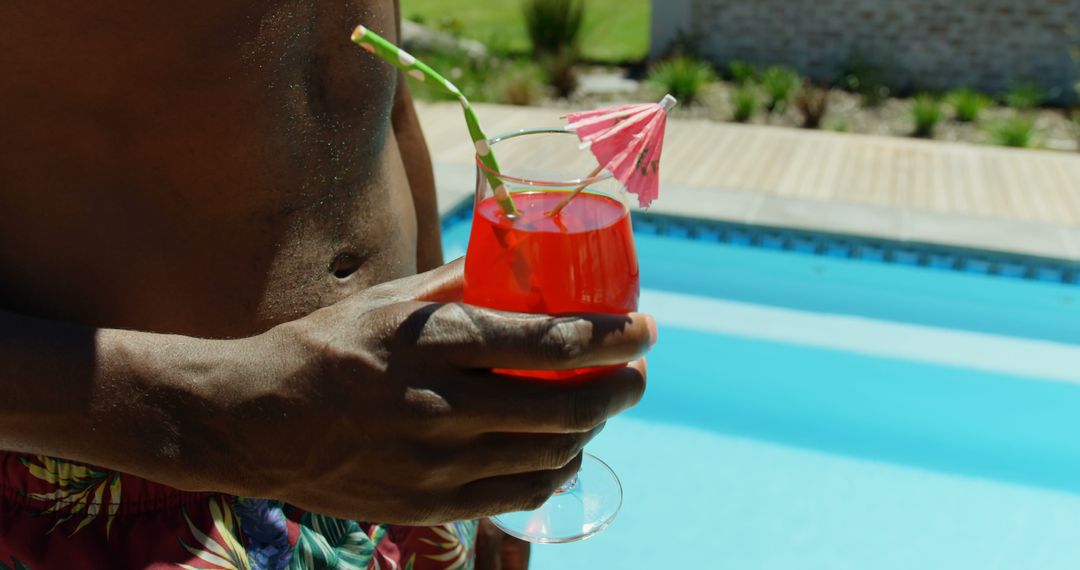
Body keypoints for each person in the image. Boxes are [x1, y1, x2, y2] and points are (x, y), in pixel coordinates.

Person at [0, 1, 655, 568]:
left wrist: (472, 425)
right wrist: (231, 416)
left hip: (406, 454)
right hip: (139, 501)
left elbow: (380, 98)